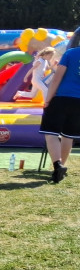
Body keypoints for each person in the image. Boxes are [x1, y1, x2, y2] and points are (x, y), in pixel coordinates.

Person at [40, 27, 80, 184]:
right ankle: (61, 168)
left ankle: (58, 165)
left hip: (62, 97)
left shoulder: (70, 53)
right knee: (68, 135)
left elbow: (57, 78)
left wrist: (48, 99)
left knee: (50, 133)